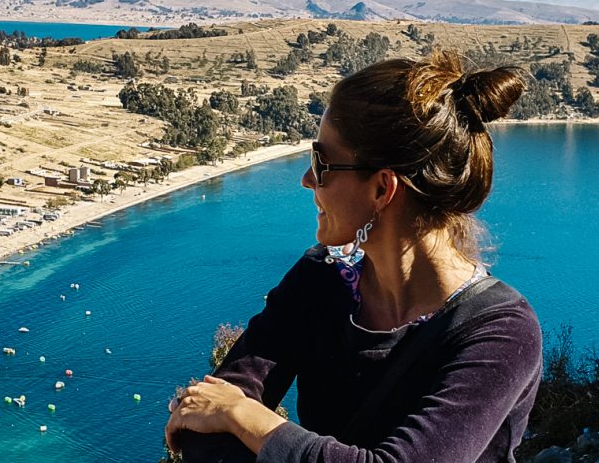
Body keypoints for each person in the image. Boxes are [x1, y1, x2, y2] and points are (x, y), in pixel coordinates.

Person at [165, 50, 542, 462]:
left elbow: (227, 406)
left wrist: (242, 416)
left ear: (382, 189)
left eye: (321, 162)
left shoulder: (500, 334)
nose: (307, 179)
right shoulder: (319, 279)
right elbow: (204, 423)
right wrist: (228, 413)